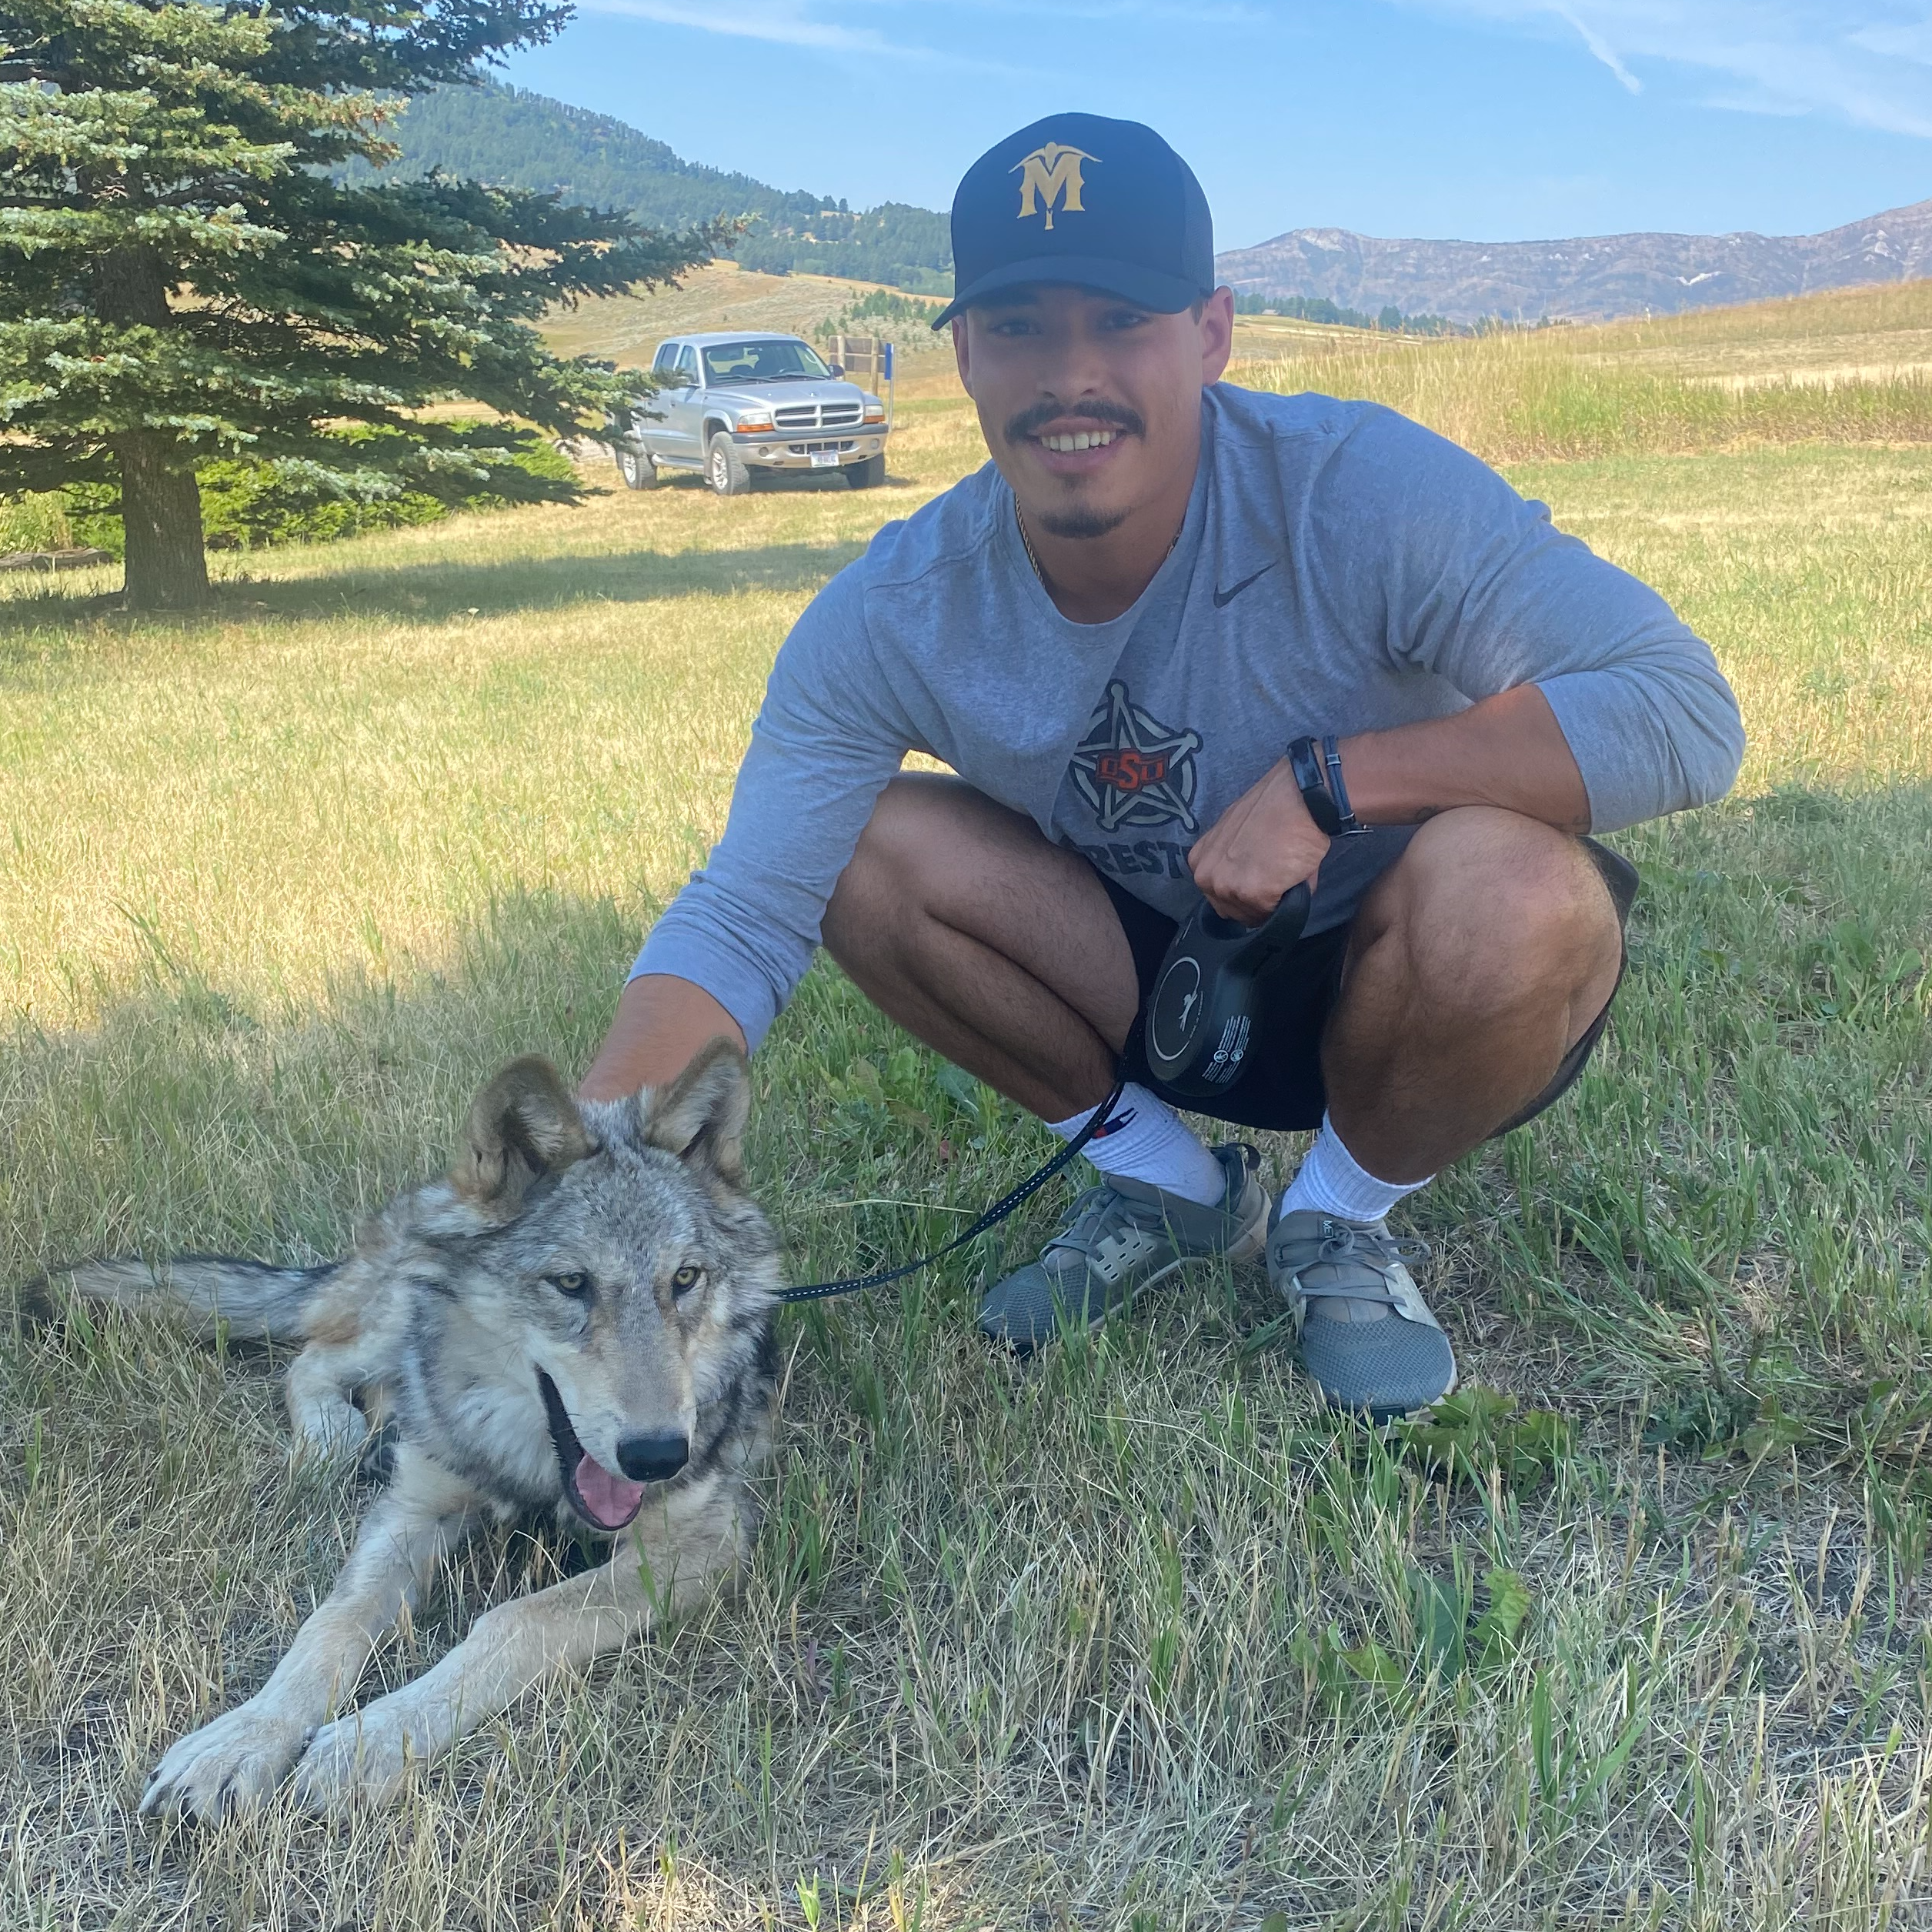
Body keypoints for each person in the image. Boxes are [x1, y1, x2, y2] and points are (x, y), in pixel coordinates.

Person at [582, 113, 1745, 1418]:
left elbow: (1682, 711)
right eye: (1018, 325)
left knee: (1524, 889)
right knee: (866, 842)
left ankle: (1339, 1220)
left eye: (1123, 319)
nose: (1068, 375)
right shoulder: (896, 605)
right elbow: (745, 907)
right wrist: (582, 1179)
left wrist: (1328, 783)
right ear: (961, 353)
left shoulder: (1357, 489)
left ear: (1210, 334)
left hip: (1418, 979)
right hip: (1157, 984)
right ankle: (1169, 1190)